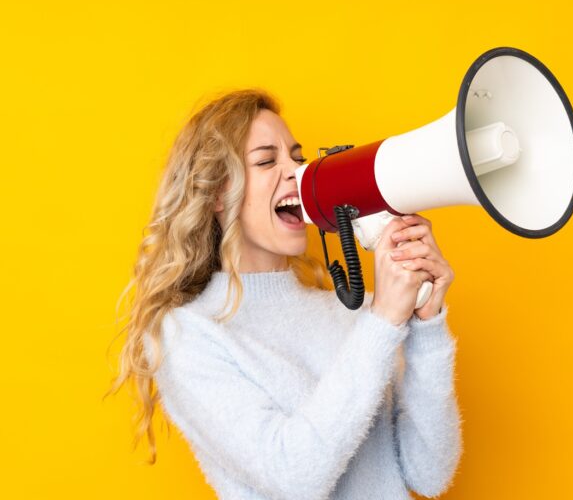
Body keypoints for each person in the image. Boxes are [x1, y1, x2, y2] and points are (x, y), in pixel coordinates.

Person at [105, 89, 463, 499]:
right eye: (266, 160)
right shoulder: (189, 334)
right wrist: (382, 323)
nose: (297, 171)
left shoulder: (353, 311)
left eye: (297, 156)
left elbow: (429, 474)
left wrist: (426, 326)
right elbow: (293, 478)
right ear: (218, 193)